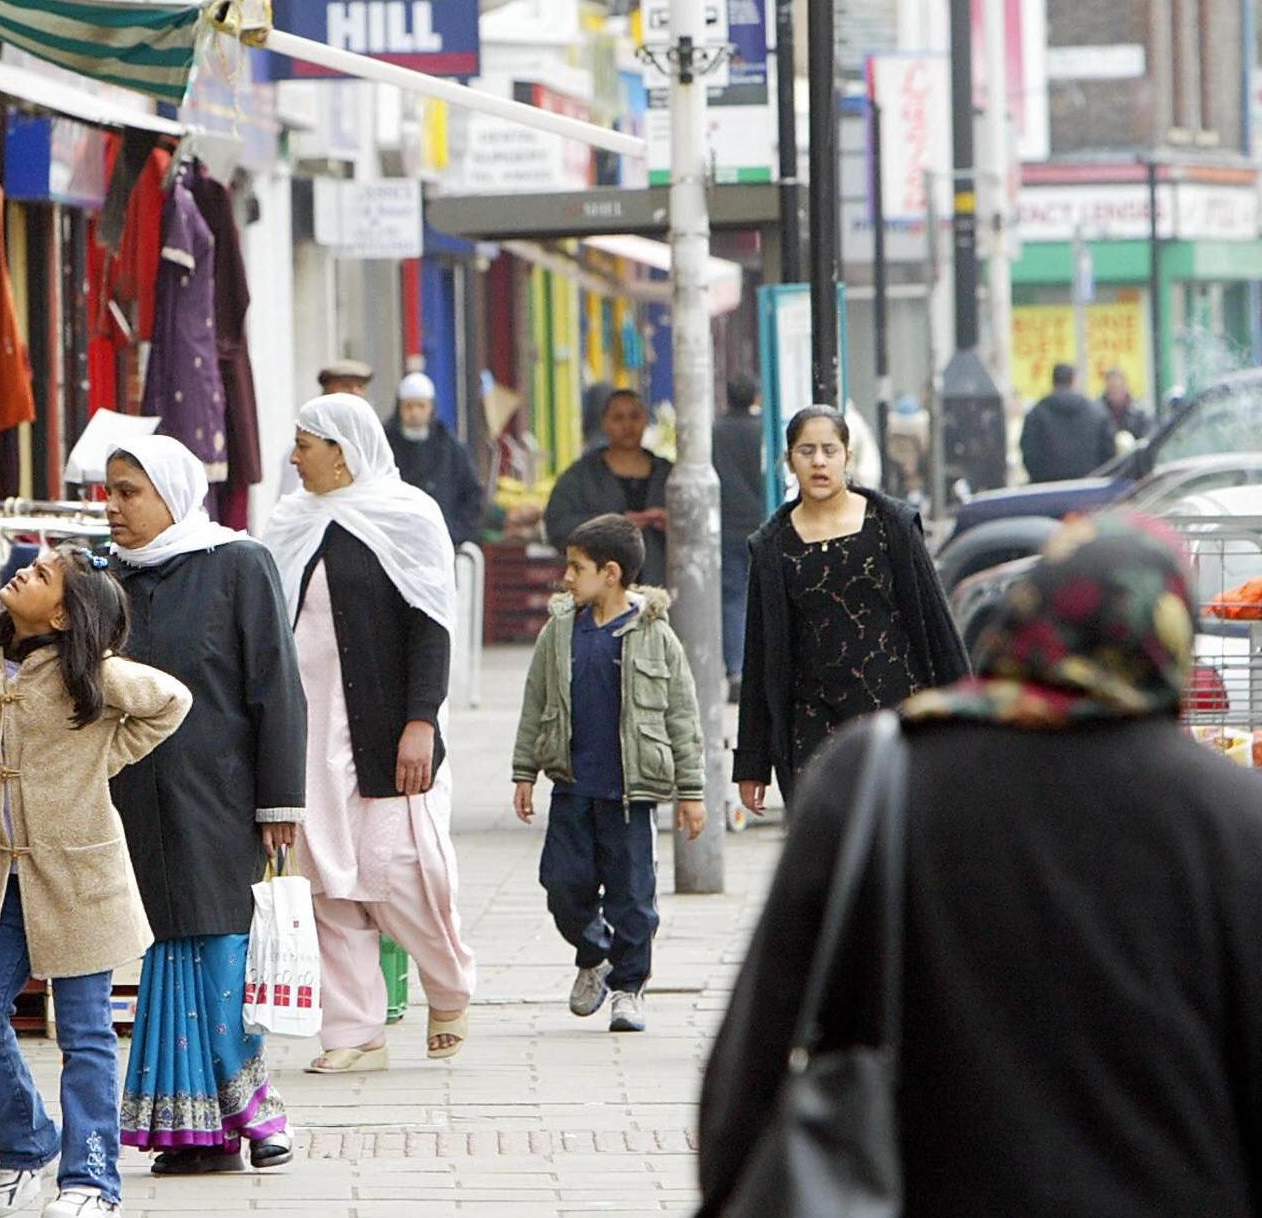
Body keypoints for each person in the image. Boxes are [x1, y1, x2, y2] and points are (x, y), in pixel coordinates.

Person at [700, 514, 1262, 1217]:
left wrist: (724, 1187)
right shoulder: (1232, 818)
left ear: (1024, 614)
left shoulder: (880, 777)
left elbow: (760, 1035)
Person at [0, 548, 193, 1218]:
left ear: (61, 611)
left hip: (76, 875)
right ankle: (27, 1148)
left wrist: (103, 758)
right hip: (0, 875)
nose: (26, 569)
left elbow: (170, 702)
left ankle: (90, 1180)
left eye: (44, 574)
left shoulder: (90, 673)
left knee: (83, 1031)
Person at [105, 437, 307, 1176]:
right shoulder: (112, 579)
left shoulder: (238, 564)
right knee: (168, 954)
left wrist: (280, 800)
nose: (113, 506)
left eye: (129, 492)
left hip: (223, 796)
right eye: (110, 492)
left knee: (221, 951)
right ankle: (196, 1136)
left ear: (170, 492)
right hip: (138, 800)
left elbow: (276, 686)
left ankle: (258, 1115)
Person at [263, 396, 477, 1074]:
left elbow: (431, 626)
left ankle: (448, 983)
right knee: (325, 875)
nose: (294, 458)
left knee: (399, 873)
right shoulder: (288, 523)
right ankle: (354, 1031)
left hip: (386, 730)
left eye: (305, 444)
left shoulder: (406, 516)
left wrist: (421, 720)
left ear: (342, 450)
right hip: (309, 730)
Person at [511, 515, 705, 1035]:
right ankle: (593, 953)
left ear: (611, 573)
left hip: (628, 796)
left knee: (633, 898)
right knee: (560, 885)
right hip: (572, 788)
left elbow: (682, 717)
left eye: (576, 568)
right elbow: (536, 702)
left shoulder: (655, 637)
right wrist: (523, 771)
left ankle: (628, 987)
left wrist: (692, 791)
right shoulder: (560, 632)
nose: (567, 578)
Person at [735, 406, 966, 812]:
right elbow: (760, 656)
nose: (818, 461)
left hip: (896, 714)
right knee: (827, 847)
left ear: (847, 456)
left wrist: (968, 724)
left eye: (829, 449)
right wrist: (752, 763)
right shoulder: (772, 547)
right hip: (812, 724)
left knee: (896, 840)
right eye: (806, 451)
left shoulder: (891, 525)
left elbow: (937, 627)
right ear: (789, 461)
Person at [544, 390, 673, 585]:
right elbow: (558, 526)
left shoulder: (668, 476)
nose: (627, 425)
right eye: (618, 418)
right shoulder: (581, 476)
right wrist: (610, 527)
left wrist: (673, 524)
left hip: (662, 586)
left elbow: (702, 527)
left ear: (646, 420)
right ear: (604, 422)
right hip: (602, 590)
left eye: (634, 416)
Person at [386, 372, 485, 551]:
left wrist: (455, 533)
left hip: (442, 544)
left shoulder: (450, 446)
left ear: (431, 407)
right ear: (399, 408)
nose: (414, 412)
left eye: (420, 406)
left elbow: (472, 494)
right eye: (408, 406)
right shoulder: (385, 444)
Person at [713, 375, 766, 688]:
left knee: (733, 597)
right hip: (760, 522)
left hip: (727, 525)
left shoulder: (715, 432)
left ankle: (736, 668)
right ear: (755, 397)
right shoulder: (764, 430)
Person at [1019, 363, 1118, 483]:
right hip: (1089, 488)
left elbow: (1029, 452)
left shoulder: (1036, 414)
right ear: (1073, 381)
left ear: (1053, 381)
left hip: (1046, 489)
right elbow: (1109, 452)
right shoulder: (1096, 413)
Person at [1101, 367, 1153, 442]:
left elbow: (1148, 438)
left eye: (1119, 387)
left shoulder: (1140, 414)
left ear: (1126, 387)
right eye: (1112, 388)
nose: (1115, 392)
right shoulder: (1099, 413)